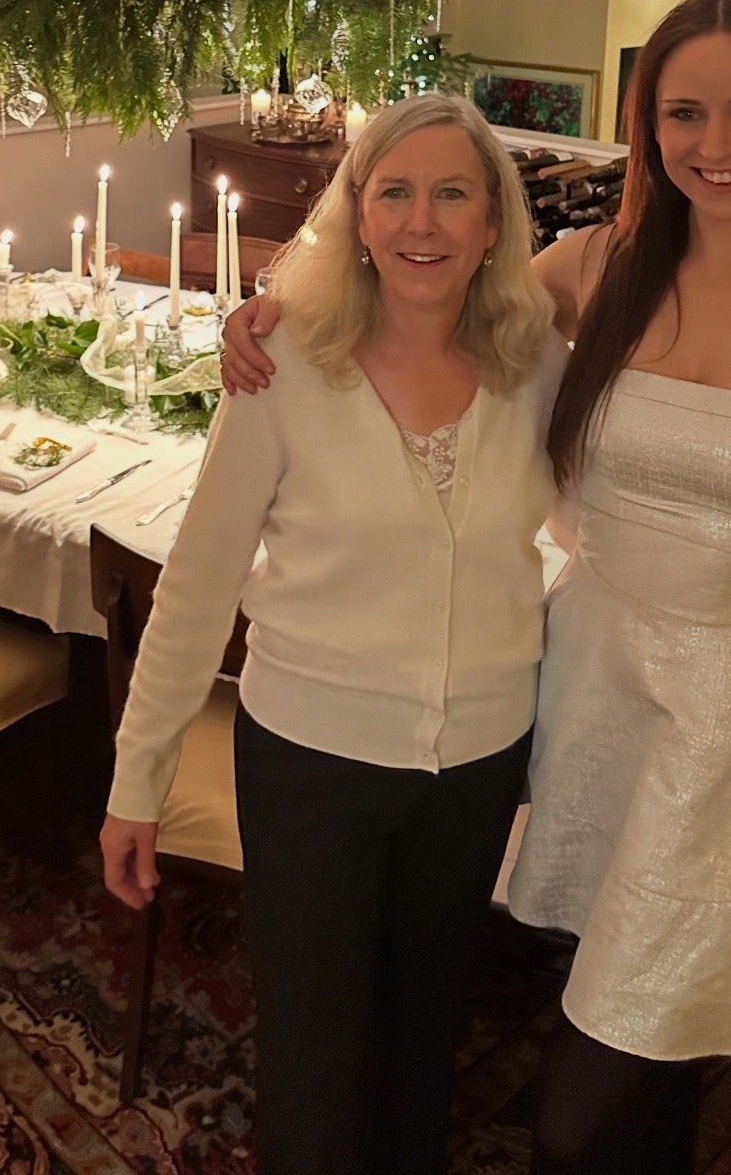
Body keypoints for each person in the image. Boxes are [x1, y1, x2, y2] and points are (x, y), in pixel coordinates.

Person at [222, 0, 731, 1174]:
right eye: (683, 113)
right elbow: (413, 285)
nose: (715, 144)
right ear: (647, 128)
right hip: (579, 692)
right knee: (629, 1031)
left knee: (585, 1113)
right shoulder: (592, 269)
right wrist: (271, 314)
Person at [100, 93, 567, 1175]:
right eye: (393, 193)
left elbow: (610, 530)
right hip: (311, 759)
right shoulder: (283, 367)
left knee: (424, 1026)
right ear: (356, 218)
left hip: (479, 763)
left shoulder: (537, 370)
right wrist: (139, 779)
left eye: (453, 194)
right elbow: (199, 586)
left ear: (493, 222)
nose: (421, 223)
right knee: (315, 1046)